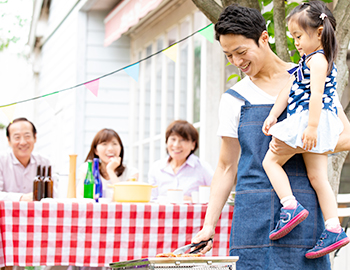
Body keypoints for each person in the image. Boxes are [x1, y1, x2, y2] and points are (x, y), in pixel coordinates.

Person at [191, 3, 350, 270]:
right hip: (251, 219)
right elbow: (226, 166)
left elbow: (346, 137)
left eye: (241, 52)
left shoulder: (308, 78)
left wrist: (298, 143)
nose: (237, 62)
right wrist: (209, 225)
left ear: (264, 38)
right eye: (229, 56)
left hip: (305, 214)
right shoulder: (233, 99)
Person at [262, 1, 349, 259]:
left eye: (299, 36)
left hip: (312, 121)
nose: (296, 42)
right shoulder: (305, 62)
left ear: (319, 32)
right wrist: (273, 114)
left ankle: (289, 205)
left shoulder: (319, 60)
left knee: (271, 161)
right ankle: (333, 227)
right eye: (293, 37)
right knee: (318, 179)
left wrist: (311, 127)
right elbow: (286, 91)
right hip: (311, 123)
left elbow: (318, 96)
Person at [148, 120, 213, 202]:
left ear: (193, 145)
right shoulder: (156, 168)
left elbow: (218, 195)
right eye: (173, 139)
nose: (176, 145)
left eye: (183, 140)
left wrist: (194, 200)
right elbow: (152, 200)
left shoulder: (202, 168)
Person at [76, 128, 138, 198]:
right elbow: (81, 194)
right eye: (104, 144)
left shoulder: (131, 172)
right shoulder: (87, 168)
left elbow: (125, 198)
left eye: (114, 144)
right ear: (96, 150)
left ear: (120, 148)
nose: (110, 149)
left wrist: (110, 170)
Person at [0, 117, 51, 201]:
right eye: (17, 137)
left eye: (27, 136)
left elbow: (52, 196)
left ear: (35, 137)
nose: (23, 142)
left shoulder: (44, 162)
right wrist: (21, 198)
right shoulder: (1, 161)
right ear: (9, 141)